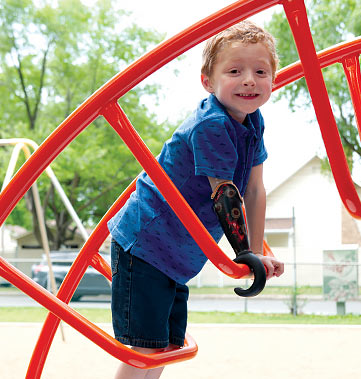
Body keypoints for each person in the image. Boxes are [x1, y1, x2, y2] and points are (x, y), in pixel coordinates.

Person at [108, 20, 284, 379]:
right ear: (208, 80)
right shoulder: (212, 124)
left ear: (273, 80)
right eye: (235, 71)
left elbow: (255, 189)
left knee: (163, 348)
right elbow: (226, 193)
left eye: (260, 71)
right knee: (145, 349)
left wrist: (255, 251)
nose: (249, 79)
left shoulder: (253, 122)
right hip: (146, 243)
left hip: (178, 254)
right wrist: (245, 252)